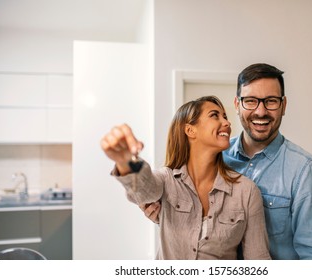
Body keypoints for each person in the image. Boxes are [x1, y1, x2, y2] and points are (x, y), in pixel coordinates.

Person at [142, 63, 312, 260]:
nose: (260, 111)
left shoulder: (305, 171)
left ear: (283, 106)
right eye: (250, 101)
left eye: (271, 101)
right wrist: (168, 217)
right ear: (237, 104)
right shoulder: (215, 156)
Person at [101, 95, 271, 260]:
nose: (227, 123)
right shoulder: (167, 179)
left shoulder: (246, 191)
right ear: (190, 130)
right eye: (215, 116)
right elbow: (145, 192)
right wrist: (126, 162)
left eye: (225, 117)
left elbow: (258, 260)